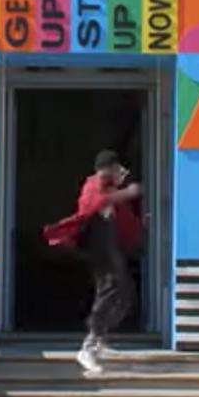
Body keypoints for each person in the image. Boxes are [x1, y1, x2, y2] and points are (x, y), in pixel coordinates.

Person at [42, 150, 144, 374]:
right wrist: (126, 193)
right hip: (99, 250)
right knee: (109, 290)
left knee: (126, 294)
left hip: (112, 250)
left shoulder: (111, 190)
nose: (123, 175)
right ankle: (88, 346)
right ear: (108, 169)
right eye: (119, 170)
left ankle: (100, 341)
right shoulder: (94, 185)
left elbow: (125, 220)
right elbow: (92, 205)